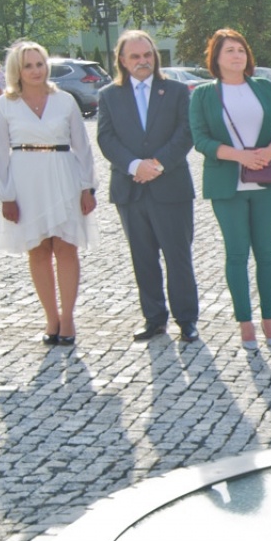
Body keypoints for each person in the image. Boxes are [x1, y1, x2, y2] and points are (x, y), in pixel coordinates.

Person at [188, 28, 271, 351]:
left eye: (241, 50)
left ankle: (269, 320)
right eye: (230, 50)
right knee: (236, 253)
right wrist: (240, 155)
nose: (237, 55)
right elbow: (201, 140)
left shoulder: (262, 88)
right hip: (226, 184)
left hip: (265, 182)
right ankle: (245, 322)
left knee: (267, 254)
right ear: (216, 58)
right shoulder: (203, 94)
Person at [0, 40, 98, 346]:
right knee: (37, 249)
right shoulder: (5, 104)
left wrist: (87, 186)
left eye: (40, 64)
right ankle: (50, 317)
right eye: (28, 65)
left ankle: (68, 317)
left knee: (66, 247)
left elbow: (83, 147)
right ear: (17, 70)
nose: (36, 71)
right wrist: (6, 195)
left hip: (63, 175)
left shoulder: (64, 100)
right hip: (26, 180)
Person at [97, 29, 201, 344]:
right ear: (123, 61)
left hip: (171, 187)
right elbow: (106, 138)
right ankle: (154, 319)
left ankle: (187, 320)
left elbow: (186, 132)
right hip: (130, 190)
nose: (143, 62)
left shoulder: (177, 91)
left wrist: (155, 165)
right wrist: (134, 166)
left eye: (147, 55)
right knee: (142, 257)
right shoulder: (108, 95)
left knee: (177, 256)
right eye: (135, 57)